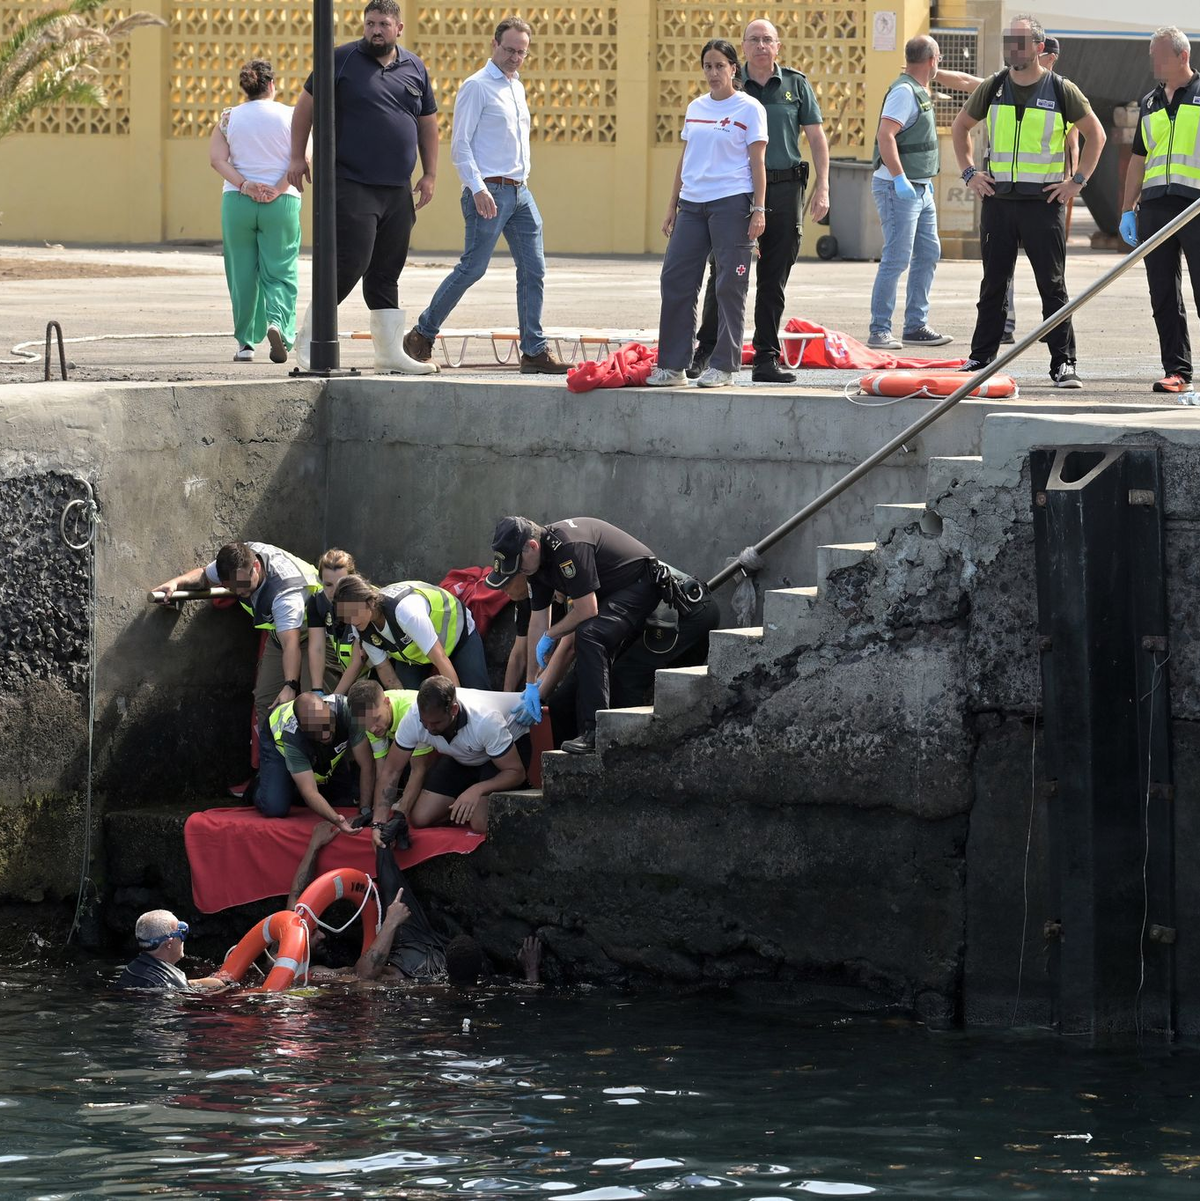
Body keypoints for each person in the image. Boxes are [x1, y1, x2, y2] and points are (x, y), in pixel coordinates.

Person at [402, 17, 570, 375]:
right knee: (473, 268)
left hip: (520, 191)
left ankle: (534, 351)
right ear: (493, 44)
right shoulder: (477, 87)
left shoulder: (517, 87)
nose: (514, 57)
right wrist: (477, 188)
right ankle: (421, 333)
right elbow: (460, 146)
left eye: (521, 52)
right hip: (489, 191)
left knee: (534, 269)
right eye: (509, 49)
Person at [953, 13, 1106, 388]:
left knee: (1052, 285)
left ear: (1039, 47)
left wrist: (1077, 182)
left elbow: (1095, 135)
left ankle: (1063, 363)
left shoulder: (1060, 89)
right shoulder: (993, 86)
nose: (1011, 48)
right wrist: (970, 173)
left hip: (1043, 204)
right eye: (1009, 40)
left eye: (1019, 41)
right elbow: (961, 128)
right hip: (999, 202)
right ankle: (980, 358)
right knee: (993, 283)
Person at [286, 0, 438, 375]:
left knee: (387, 270)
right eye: (370, 23)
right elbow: (304, 108)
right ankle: (309, 342)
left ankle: (388, 353)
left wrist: (430, 172)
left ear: (398, 28)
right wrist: (295, 157)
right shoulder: (340, 59)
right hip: (351, 182)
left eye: (383, 24)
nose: (375, 30)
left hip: (397, 188)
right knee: (350, 261)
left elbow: (427, 123)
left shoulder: (415, 67)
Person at [688, 19, 829, 385]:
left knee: (774, 276)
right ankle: (707, 350)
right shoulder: (730, 88)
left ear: (778, 46)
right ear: (743, 47)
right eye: (754, 40)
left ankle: (766, 357)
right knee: (724, 270)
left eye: (768, 40)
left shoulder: (795, 84)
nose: (762, 45)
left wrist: (824, 186)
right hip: (736, 191)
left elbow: (815, 137)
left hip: (784, 189)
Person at [483, 515, 664, 754]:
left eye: (520, 565)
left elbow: (587, 610)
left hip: (640, 584)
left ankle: (595, 731)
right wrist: (530, 685)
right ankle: (570, 754)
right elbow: (537, 622)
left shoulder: (568, 548)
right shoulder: (535, 566)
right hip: (609, 596)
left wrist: (551, 635)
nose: (520, 572)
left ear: (532, 546)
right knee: (561, 704)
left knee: (589, 633)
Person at [645, 39, 768, 390]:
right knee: (675, 279)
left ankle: (725, 366)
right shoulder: (696, 106)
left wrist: (759, 209)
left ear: (733, 68)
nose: (714, 73)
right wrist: (672, 204)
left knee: (730, 284)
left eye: (720, 66)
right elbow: (686, 159)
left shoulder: (749, 108)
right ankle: (672, 366)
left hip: (732, 202)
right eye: (708, 66)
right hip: (692, 204)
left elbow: (758, 162)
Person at [867, 36, 981, 351]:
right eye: (938, 59)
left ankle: (915, 325)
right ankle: (879, 329)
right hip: (898, 187)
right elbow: (885, 136)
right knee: (896, 257)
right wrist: (900, 178)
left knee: (928, 252)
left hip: (920, 187)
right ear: (932, 60)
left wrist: (917, 182)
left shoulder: (919, 86)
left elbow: (960, 80)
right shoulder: (904, 92)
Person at [152, 541, 321, 723]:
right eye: (232, 587)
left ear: (255, 566)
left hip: (317, 634)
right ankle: (277, 749)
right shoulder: (236, 562)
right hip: (280, 635)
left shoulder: (285, 597)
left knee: (314, 706)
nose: (240, 591)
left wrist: (290, 685)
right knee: (267, 702)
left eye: (242, 584)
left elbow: (291, 644)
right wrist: (176, 583)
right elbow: (203, 575)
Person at [1120, 26, 1200, 395]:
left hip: (1196, 205)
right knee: (1163, 294)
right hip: (1155, 208)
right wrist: (1127, 208)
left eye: (1160, 55)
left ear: (1182, 56)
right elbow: (1139, 159)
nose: (1153, 61)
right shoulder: (1149, 102)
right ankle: (1177, 370)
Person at [209, 59, 301, 365]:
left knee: (242, 274)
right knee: (281, 271)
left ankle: (245, 344)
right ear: (272, 85)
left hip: (237, 202)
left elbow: (217, 160)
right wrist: (278, 187)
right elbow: (305, 158)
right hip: (282, 202)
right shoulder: (292, 115)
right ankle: (278, 325)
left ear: (244, 88)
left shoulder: (228, 117)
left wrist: (246, 184)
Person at [370, 676, 530, 835]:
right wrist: (378, 824)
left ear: (453, 710)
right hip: (462, 755)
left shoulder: (485, 721)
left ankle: (484, 798)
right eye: (424, 722)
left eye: (436, 723)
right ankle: (464, 803)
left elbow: (516, 772)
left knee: (480, 823)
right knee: (420, 818)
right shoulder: (414, 718)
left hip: (502, 756)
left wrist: (478, 790)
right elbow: (391, 771)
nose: (429, 728)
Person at [1001, 37, 1079, 344]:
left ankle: (1054, 330)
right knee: (999, 273)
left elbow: (1075, 139)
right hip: (1006, 195)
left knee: (1050, 276)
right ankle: (1004, 326)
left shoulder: (1061, 90)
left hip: (1046, 196)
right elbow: (969, 85)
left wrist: (1073, 181)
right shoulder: (1004, 84)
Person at [331, 575, 491, 692]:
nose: (350, 621)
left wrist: (457, 704)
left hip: (456, 635)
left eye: (353, 613)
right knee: (414, 703)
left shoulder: (406, 612)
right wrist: (405, 710)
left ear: (370, 602)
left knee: (475, 694)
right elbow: (386, 672)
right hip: (414, 657)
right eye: (345, 617)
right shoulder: (359, 627)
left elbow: (439, 658)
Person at [253, 690, 375, 822]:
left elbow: (367, 765)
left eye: (327, 724)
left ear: (329, 710)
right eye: (316, 730)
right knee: (275, 807)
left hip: (315, 745)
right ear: (302, 728)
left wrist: (365, 810)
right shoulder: (292, 734)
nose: (325, 734)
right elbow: (309, 791)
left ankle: (290, 782)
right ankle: (264, 783)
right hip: (277, 744)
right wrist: (336, 819)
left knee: (343, 796)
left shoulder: (348, 711)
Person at [116, 910, 230, 992]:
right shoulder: (170, 984)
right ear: (169, 943)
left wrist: (202, 983)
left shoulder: (130, 970)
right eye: (182, 932)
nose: (183, 939)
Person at [306, 548, 368, 695]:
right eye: (328, 585)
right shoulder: (317, 602)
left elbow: (359, 660)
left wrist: (334, 698)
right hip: (344, 664)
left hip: (375, 668)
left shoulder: (364, 602)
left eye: (341, 583)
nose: (334, 591)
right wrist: (317, 689)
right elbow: (317, 647)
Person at [346, 677, 431, 766]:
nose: (372, 729)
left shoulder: (413, 714)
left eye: (377, 719)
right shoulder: (370, 717)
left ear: (387, 702)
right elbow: (381, 763)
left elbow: (418, 769)